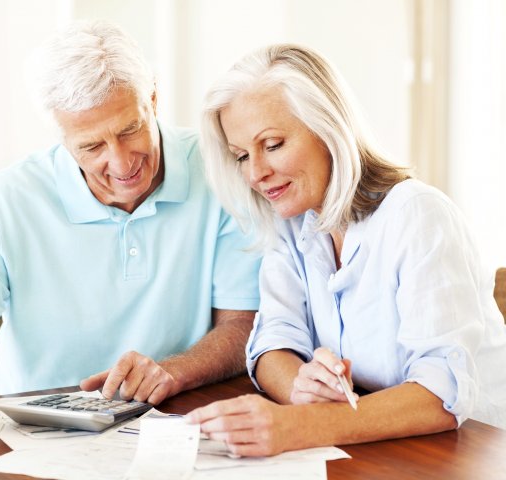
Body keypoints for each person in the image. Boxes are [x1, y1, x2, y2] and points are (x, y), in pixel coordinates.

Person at [0, 20, 260, 455]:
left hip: (168, 421)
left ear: (152, 97)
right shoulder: (2, 202)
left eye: (130, 129)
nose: (121, 162)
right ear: (60, 135)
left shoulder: (222, 172)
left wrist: (175, 371)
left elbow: (242, 326)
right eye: (92, 146)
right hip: (25, 431)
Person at [186, 44, 506, 456]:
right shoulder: (292, 221)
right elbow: (272, 343)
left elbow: (440, 394)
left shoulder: (418, 215)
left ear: (328, 128)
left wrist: (300, 424)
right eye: (242, 156)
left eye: (273, 143)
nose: (256, 173)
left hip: (475, 449)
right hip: (386, 446)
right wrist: (299, 386)